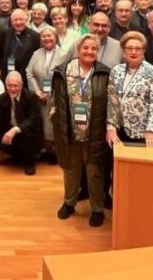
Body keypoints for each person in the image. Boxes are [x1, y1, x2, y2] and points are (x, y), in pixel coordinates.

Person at [51, 35, 111, 226]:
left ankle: (97, 208)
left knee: (94, 171)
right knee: (70, 169)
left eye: (93, 48)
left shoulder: (104, 73)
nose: (89, 51)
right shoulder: (63, 71)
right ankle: (69, 202)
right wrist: (56, 123)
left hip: (95, 131)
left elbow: (112, 104)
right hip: (69, 130)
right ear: (79, 49)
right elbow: (54, 100)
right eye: (86, 48)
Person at [106, 31, 153, 147]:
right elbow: (112, 102)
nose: (133, 52)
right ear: (124, 51)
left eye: (138, 48)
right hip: (119, 132)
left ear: (143, 51)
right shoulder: (116, 70)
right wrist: (111, 127)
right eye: (129, 48)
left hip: (144, 134)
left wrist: (151, 130)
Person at [25, 27, 65, 162]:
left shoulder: (63, 54)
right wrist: (37, 92)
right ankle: (44, 150)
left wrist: (51, 94)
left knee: (53, 124)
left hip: (56, 96)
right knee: (41, 123)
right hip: (39, 96)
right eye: (44, 36)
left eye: (50, 36)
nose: (47, 39)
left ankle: (55, 152)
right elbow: (29, 73)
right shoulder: (36, 54)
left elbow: (65, 76)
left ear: (55, 37)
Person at [0, 72, 42, 175]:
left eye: (15, 86)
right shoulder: (2, 98)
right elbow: (0, 123)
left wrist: (15, 130)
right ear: (6, 86)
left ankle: (30, 164)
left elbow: (32, 120)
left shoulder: (31, 96)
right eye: (9, 86)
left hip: (28, 131)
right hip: (10, 132)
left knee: (27, 134)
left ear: (21, 85)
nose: (12, 89)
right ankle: (14, 155)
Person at [0, 8, 41, 85]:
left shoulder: (35, 36)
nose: (18, 22)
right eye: (15, 20)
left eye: (21, 19)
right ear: (11, 21)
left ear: (26, 20)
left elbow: (38, 57)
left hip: (25, 76)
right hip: (7, 74)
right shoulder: (5, 33)